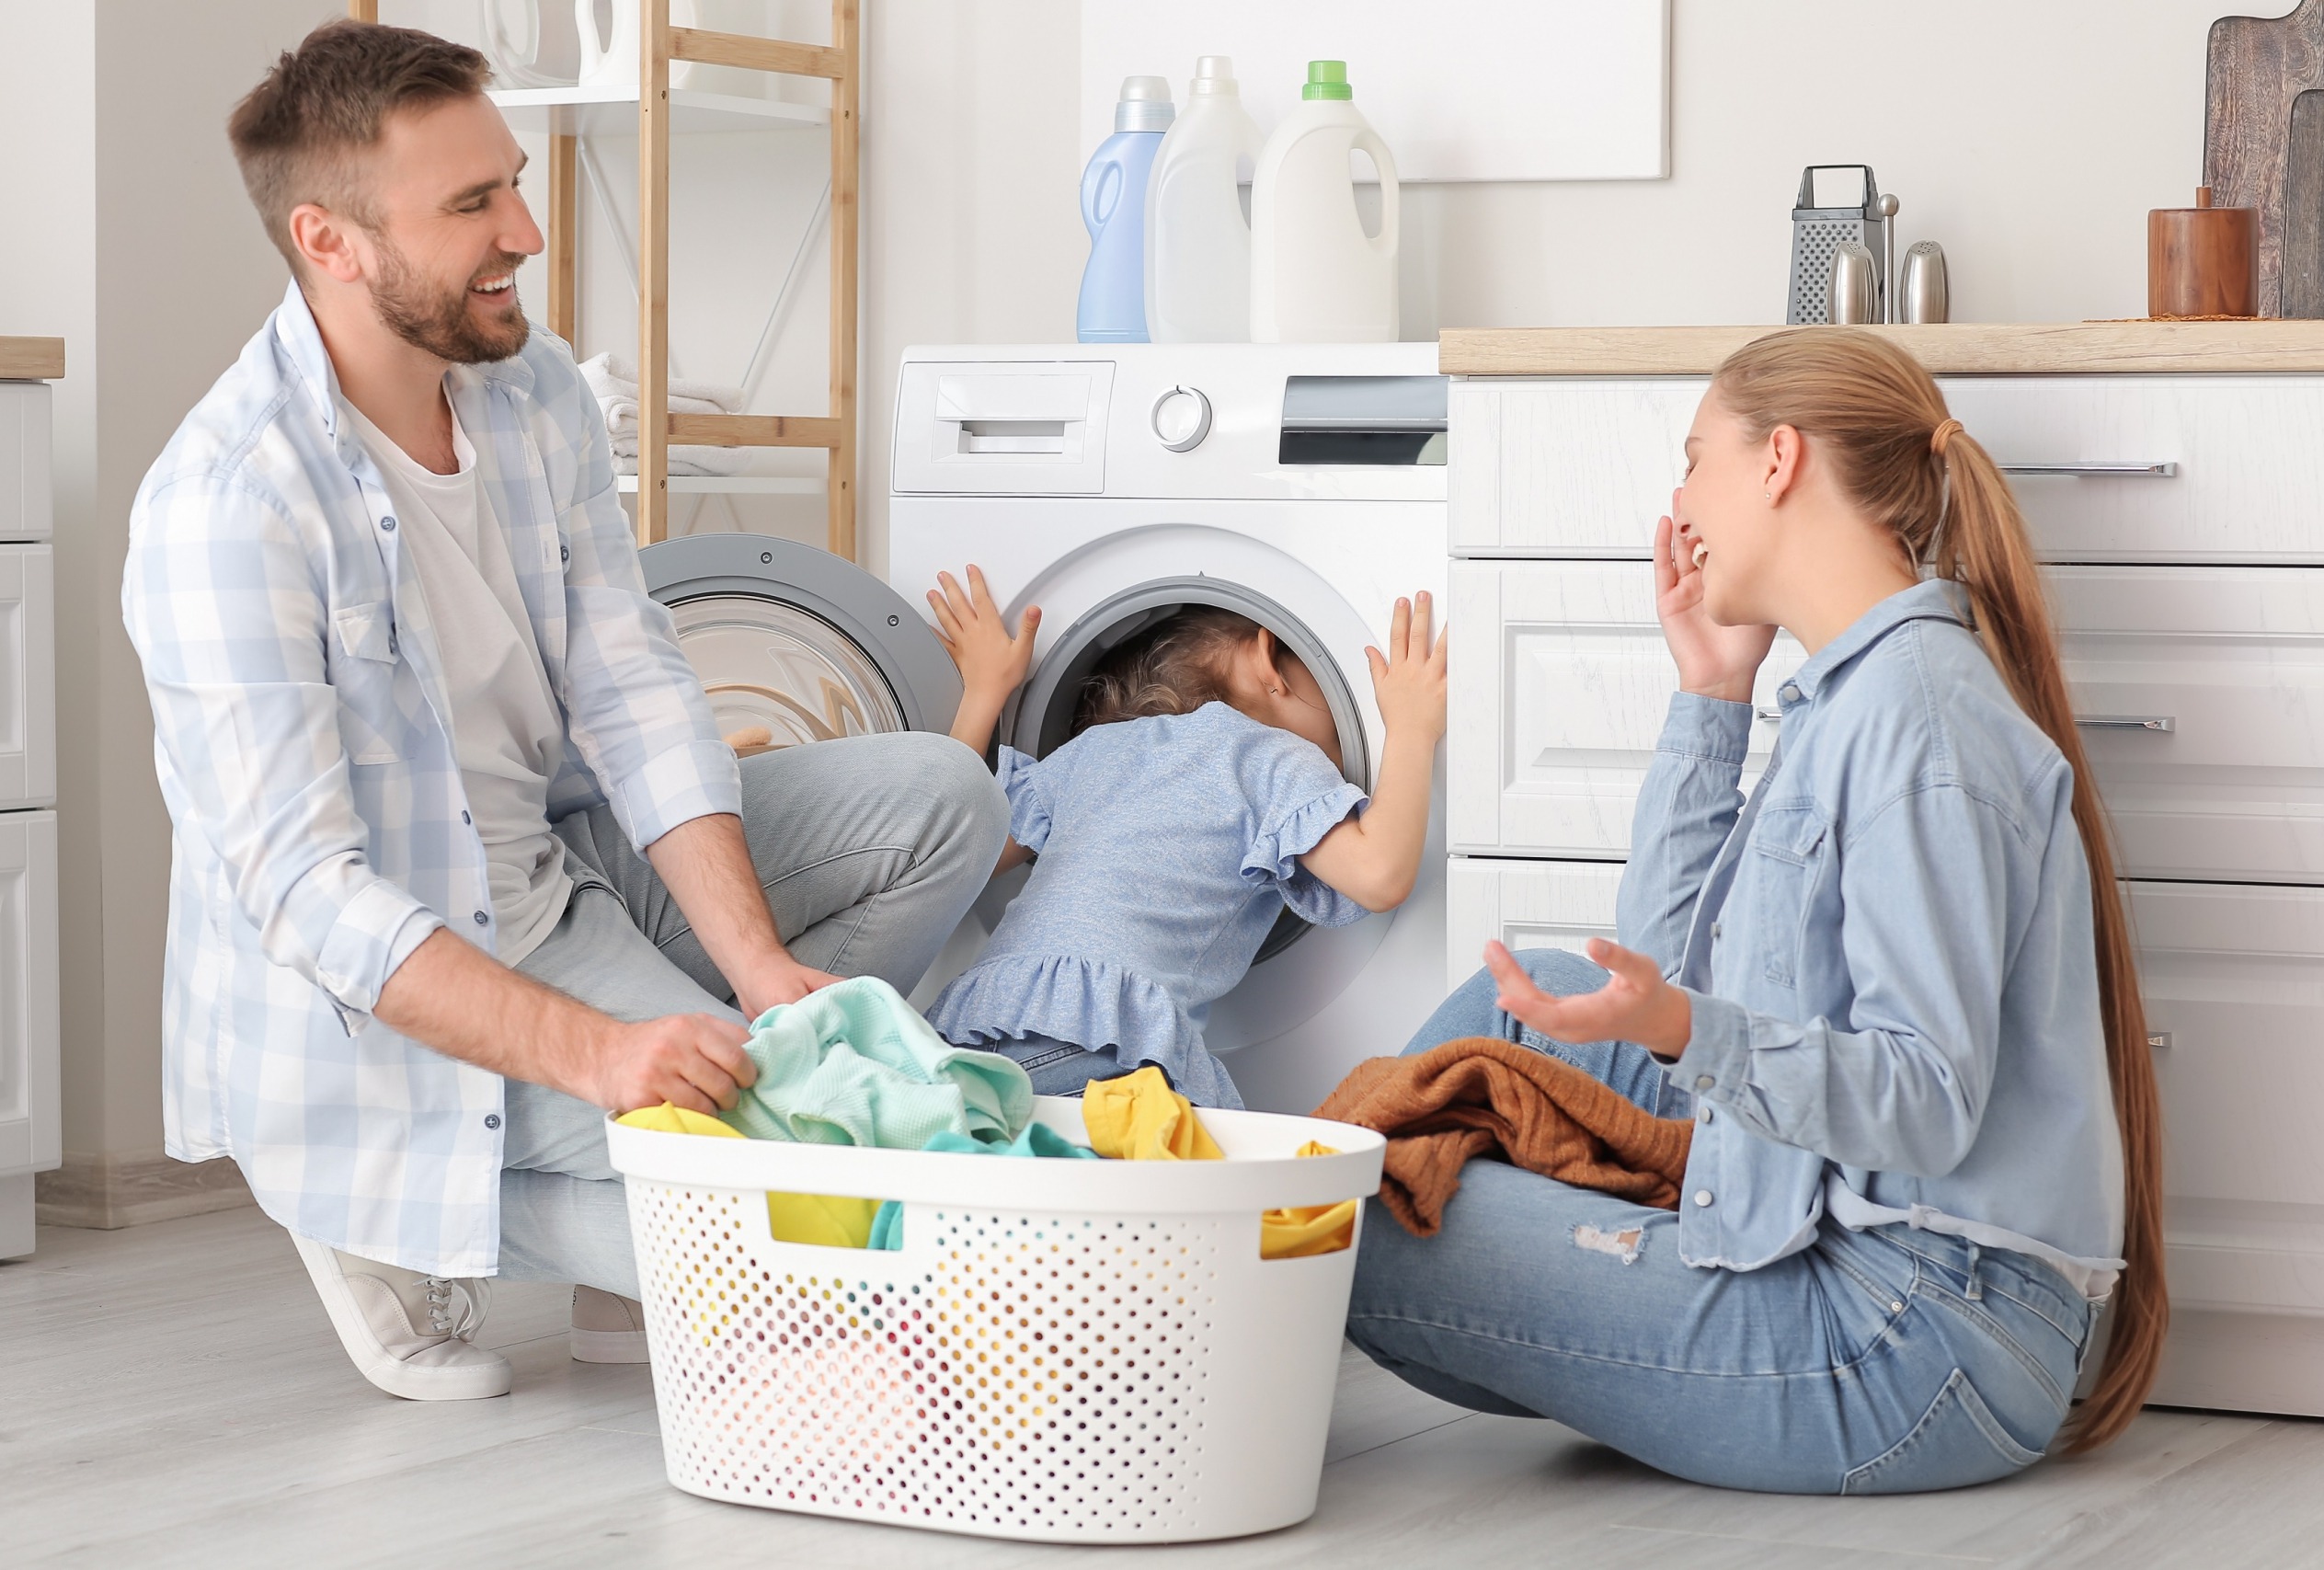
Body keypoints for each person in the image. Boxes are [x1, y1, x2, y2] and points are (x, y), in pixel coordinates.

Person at [120, 22, 1004, 1403]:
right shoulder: (228, 503)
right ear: (330, 240)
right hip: (383, 1009)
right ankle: (371, 1206)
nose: (525, 230)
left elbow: (633, 685)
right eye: (473, 205)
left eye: (512, 183)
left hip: (557, 884)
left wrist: (760, 967)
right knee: (777, 1226)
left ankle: (621, 1210)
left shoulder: (530, 391)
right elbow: (308, 891)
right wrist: (610, 1054)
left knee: (945, 800)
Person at [1344, 329, 2167, 1493]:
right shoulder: (1851, 693)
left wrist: (1684, 1031)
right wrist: (1712, 694)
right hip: (1858, 1261)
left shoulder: (1917, 722)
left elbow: (1924, 1103)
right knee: (1508, 1000)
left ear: (1777, 460)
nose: (1678, 504)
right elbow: (1675, 970)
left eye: (1692, 460)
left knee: (1350, 1223)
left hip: (1913, 1337)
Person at [921, 567, 1447, 1109]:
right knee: (1199, 1181)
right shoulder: (1265, 755)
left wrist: (985, 690)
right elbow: (1379, 875)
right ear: (1270, 662)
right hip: (1106, 1052)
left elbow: (951, 853)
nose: (1340, 759)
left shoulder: (1092, 751)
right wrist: (1410, 727)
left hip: (969, 1038)